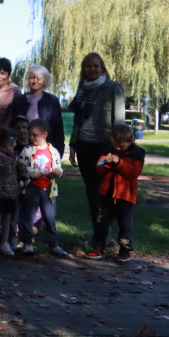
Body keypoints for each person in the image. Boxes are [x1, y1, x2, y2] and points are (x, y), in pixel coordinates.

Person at [68, 52, 126, 231]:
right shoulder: (81, 91)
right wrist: (72, 146)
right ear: (83, 70)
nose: (92, 69)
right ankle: (99, 233)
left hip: (104, 147)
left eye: (96, 66)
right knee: (91, 191)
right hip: (84, 147)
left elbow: (119, 120)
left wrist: (118, 147)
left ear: (102, 68)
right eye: (88, 66)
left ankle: (103, 233)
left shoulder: (112, 88)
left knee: (102, 190)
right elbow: (77, 121)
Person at [87, 123, 144, 261]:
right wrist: (106, 162)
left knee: (125, 224)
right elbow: (99, 167)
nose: (118, 148)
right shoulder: (107, 150)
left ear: (130, 141)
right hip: (106, 195)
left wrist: (119, 162)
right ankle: (98, 246)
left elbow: (133, 173)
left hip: (125, 197)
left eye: (122, 145)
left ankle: (124, 249)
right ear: (111, 139)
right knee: (101, 221)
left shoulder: (136, 154)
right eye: (115, 144)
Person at [18, 119, 68, 257]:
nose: (31, 138)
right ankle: (27, 243)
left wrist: (58, 172)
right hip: (32, 188)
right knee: (28, 216)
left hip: (49, 190)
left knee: (49, 218)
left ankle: (53, 244)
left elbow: (58, 167)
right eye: (30, 135)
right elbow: (20, 168)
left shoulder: (53, 151)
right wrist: (33, 173)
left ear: (44, 134)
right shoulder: (27, 151)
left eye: (35, 135)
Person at [22, 65, 65, 156]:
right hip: (23, 147)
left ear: (45, 80)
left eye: (39, 78)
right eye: (32, 78)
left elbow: (58, 127)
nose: (35, 81)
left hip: (46, 148)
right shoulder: (19, 100)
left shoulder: (52, 101)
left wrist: (59, 149)